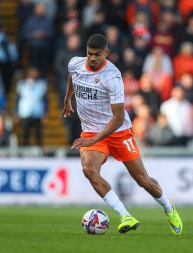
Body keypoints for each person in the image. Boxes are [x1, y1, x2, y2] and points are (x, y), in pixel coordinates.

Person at [61, 34, 182, 235]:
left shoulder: (113, 77)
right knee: (89, 170)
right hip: (91, 129)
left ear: (107, 53)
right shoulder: (75, 64)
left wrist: (93, 139)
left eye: (97, 55)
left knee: (143, 181)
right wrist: (67, 99)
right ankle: (125, 215)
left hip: (118, 132)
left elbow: (117, 118)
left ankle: (169, 208)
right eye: (89, 54)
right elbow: (72, 77)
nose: (92, 58)